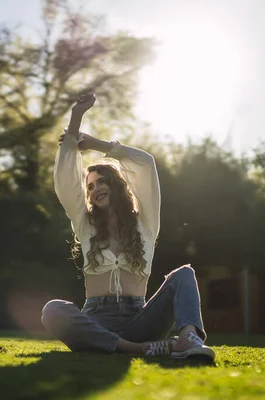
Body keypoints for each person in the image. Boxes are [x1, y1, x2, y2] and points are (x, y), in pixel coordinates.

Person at [41, 93, 215, 361]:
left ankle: (188, 339)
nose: (95, 189)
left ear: (116, 184)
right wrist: (76, 117)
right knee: (53, 310)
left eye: (101, 182)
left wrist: (95, 144)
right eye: (90, 186)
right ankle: (142, 350)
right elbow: (65, 180)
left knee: (184, 274)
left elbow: (146, 164)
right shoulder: (85, 225)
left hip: (140, 322)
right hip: (96, 322)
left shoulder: (145, 223)